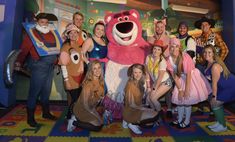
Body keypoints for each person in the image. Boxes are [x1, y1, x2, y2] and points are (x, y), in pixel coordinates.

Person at [14, 13, 59, 127]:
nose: (44, 24)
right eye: (42, 22)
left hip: (50, 67)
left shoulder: (53, 33)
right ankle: (30, 118)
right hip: (39, 66)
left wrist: (57, 61)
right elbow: (24, 50)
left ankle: (46, 113)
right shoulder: (32, 34)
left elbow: (57, 47)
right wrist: (19, 61)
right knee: (34, 92)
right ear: (37, 22)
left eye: (46, 22)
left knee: (46, 91)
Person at [167, 38, 211, 129]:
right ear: (169, 48)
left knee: (187, 100)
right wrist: (179, 89)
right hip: (180, 79)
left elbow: (188, 75)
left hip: (191, 78)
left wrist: (186, 90)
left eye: (176, 47)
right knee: (179, 100)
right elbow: (175, 76)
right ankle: (179, 119)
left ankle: (186, 121)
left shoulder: (185, 57)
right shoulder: (169, 60)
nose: (174, 49)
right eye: (172, 47)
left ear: (180, 48)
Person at [58, 24, 88, 121]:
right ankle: (72, 119)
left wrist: (91, 64)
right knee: (75, 100)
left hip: (79, 78)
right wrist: (66, 81)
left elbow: (82, 59)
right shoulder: (65, 47)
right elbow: (63, 65)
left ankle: (70, 116)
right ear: (68, 35)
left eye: (75, 32)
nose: (74, 34)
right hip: (71, 79)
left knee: (76, 100)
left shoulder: (78, 46)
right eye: (71, 33)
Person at [203, 45, 235, 132]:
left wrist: (214, 96)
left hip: (231, 87)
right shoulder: (208, 63)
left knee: (215, 102)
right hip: (224, 87)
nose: (206, 54)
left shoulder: (215, 66)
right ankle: (220, 123)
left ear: (213, 54)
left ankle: (223, 126)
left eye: (209, 52)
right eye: (205, 52)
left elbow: (214, 84)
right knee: (213, 102)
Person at [122, 63, 159, 134]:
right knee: (154, 115)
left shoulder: (139, 82)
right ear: (132, 73)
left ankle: (127, 120)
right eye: (135, 72)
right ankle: (131, 122)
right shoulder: (130, 85)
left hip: (136, 108)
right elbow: (131, 105)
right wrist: (144, 108)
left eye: (140, 72)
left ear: (142, 73)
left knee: (150, 124)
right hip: (131, 110)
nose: (137, 74)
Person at [69, 60, 105, 132]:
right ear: (91, 71)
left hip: (90, 108)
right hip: (81, 109)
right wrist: (95, 115)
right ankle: (73, 122)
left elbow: (96, 101)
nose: (97, 70)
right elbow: (85, 104)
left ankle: (77, 119)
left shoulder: (101, 82)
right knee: (97, 127)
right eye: (94, 68)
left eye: (99, 68)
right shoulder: (88, 84)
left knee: (101, 123)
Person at [147, 18, 173, 117]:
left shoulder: (168, 39)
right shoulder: (150, 39)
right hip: (153, 67)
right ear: (155, 27)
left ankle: (169, 108)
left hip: (165, 67)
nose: (159, 28)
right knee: (153, 93)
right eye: (157, 27)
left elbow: (171, 53)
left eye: (161, 27)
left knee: (167, 91)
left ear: (164, 27)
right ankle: (156, 110)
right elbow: (149, 54)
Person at [145, 40, 173, 113]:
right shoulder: (148, 57)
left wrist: (154, 89)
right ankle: (154, 113)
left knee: (153, 98)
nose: (156, 51)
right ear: (152, 49)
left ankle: (159, 114)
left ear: (161, 52)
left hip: (166, 82)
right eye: (155, 48)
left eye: (158, 49)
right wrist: (148, 87)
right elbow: (147, 72)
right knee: (148, 99)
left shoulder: (162, 61)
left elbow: (160, 78)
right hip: (156, 81)